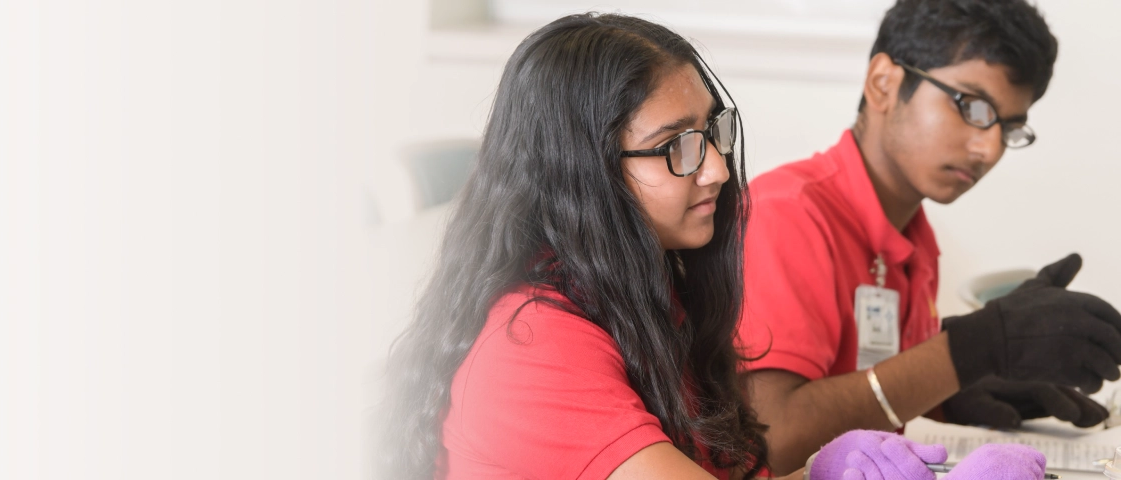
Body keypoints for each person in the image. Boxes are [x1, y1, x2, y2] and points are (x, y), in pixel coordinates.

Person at [378, 12, 1041, 480]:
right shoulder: (534, 344)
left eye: (711, 133)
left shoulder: (656, 303)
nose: (719, 169)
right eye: (676, 148)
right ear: (584, 169)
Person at [736, 0, 1121, 474]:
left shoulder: (916, 238)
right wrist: (971, 348)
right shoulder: (787, 214)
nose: (990, 147)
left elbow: (862, 393)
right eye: (972, 106)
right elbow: (770, 441)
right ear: (884, 83)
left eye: (1010, 126)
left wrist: (949, 394)